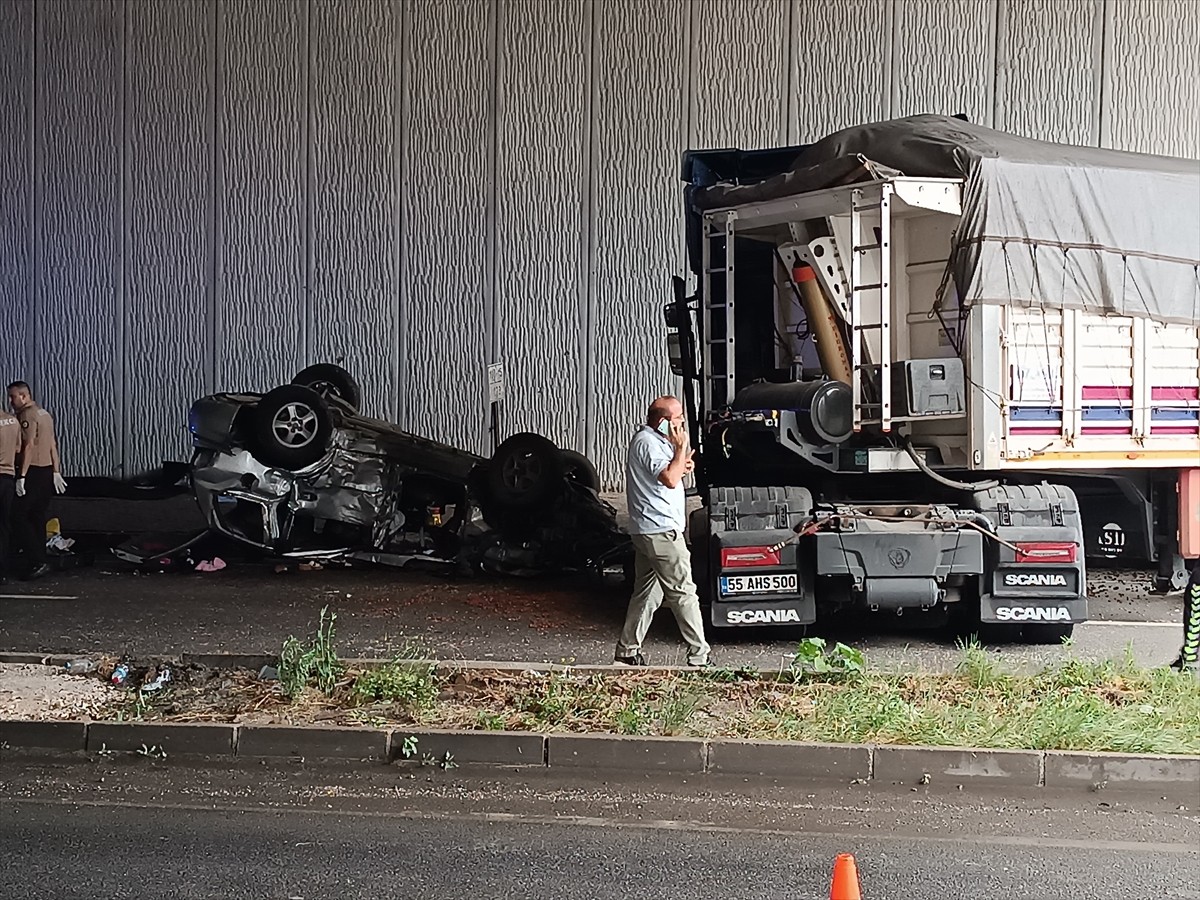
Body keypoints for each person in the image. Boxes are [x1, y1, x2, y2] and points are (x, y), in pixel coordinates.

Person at [615, 396, 711, 667]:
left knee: (648, 592)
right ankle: (699, 655)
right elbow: (669, 479)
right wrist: (680, 451)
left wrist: (682, 462)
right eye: (677, 418)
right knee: (684, 592)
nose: (681, 423)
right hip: (661, 532)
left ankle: (627, 650)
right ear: (662, 422)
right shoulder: (647, 442)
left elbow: (671, 471)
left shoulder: (654, 442)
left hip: (649, 530)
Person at [8, 382, 67, 580]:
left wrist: (21, 476)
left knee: (18, 515)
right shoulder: (44, 413)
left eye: (13, 397)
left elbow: (29, 446)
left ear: (23, 396)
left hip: (33, 471)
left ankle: (36, 559)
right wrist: (56, 470)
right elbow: (52, 443)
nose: (11, 401)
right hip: (46, 470)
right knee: (37, 516)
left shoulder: (27, 415)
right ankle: (39, 557)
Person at [0, 405, 18, 585]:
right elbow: (19, 447)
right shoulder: (13, 421)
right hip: (8, 477)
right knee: (4, 525)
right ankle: (3, 569)